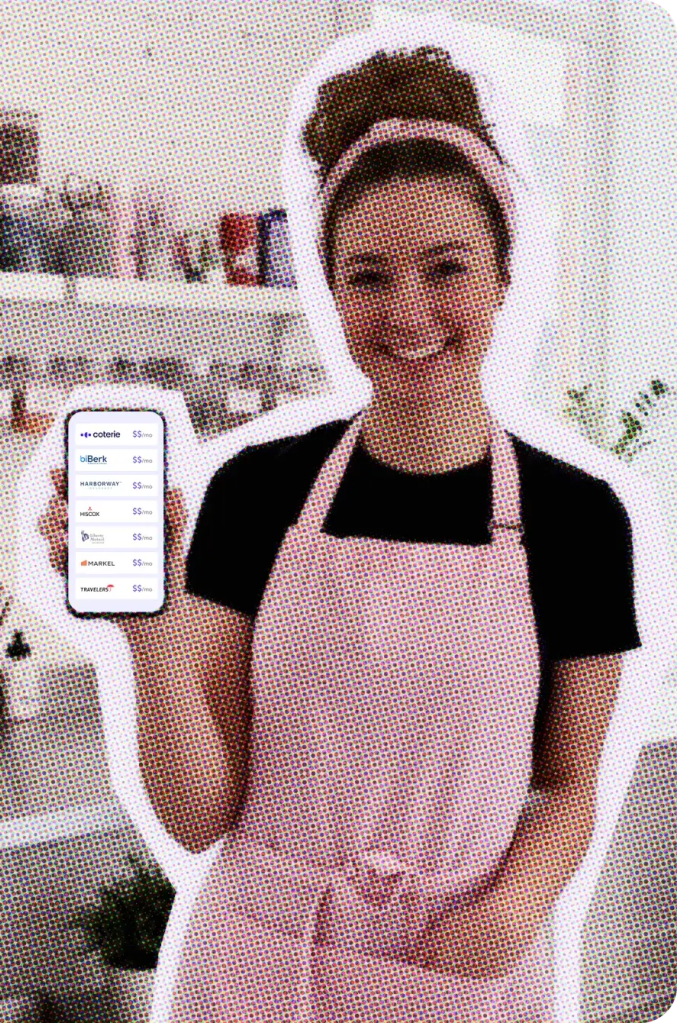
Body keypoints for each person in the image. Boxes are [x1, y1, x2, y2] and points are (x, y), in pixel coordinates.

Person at [40, 44, 641, 1023]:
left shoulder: (575, 518)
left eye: (444, 268)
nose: (406, 313)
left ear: (501, 276)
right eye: (367, 276)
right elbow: (198, 819)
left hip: (464, 960)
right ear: (330, 291)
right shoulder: (254, 489)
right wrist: (144, 630)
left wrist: (508, 915)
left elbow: (570, 784)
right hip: (257, 966)